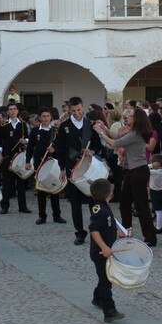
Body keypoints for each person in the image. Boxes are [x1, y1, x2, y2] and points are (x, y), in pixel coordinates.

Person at [94, 108, 157, 247]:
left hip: (138, 171)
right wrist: (104, 128)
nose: (128, 116)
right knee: (124, 204)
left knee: (141, 206)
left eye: (132, 116)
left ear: (138, 119)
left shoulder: (136, 133)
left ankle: (150, 237)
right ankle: (125, 232)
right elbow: (117, 136)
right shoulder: (132, 131)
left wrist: (100, 133)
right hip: (131, 171)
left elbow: (114, 144)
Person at [56, 97, 102, 245]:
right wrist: (62, 168)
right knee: (75, 203)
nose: (76, 113)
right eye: (73, 110)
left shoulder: (90, 124)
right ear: (69, 109)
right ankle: (80, 233)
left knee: (92, 200)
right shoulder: (64, 126)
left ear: (83, 108)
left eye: (79, 110)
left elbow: (98, 145)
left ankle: (95, 231)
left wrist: (92, 151)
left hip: (88, 167)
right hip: (71, 168)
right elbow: (60, 149)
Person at [88, 178, 125, 324]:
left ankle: (97, 298)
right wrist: (104, 247)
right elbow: (94, 230)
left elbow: (106, 228)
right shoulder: (100, 210)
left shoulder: (104, 207)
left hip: (106, 250)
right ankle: (109, 310)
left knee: (105, 277)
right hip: (100, 253)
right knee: (106, 279)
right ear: (109, 193)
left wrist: (118, 233)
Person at [25, 107, 66, 225]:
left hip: (53, 164)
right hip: (40, 164)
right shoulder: (34, 131)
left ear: (51, 117)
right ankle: (42, 216)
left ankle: (57, 215)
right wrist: (28, 161)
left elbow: (62, 147)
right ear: (39, 118)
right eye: (43, 116)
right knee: (41, 191)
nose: (46, 118)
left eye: (48, 116)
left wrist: (55, 149)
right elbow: (30, 148)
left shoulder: (55, 131)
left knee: (54, 190)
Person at [0, 103, 31, 214]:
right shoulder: (3, 125)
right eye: (10, 109)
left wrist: (25, 141)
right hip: (7, 156)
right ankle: (4, 206)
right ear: (7, 112)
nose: (12, 111)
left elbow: (29, 138)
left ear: (17, 111)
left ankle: (23, 206)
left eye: (14, 109)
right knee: (6, 183)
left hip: (19, 156)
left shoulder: (23, 124)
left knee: (20, 182)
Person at [149, 153, 162, 234]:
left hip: (155, 192)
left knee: (158, 211)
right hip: (161, 191)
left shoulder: (155, 172)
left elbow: (145, 168)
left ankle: (158, 227)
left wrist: (152, 165)